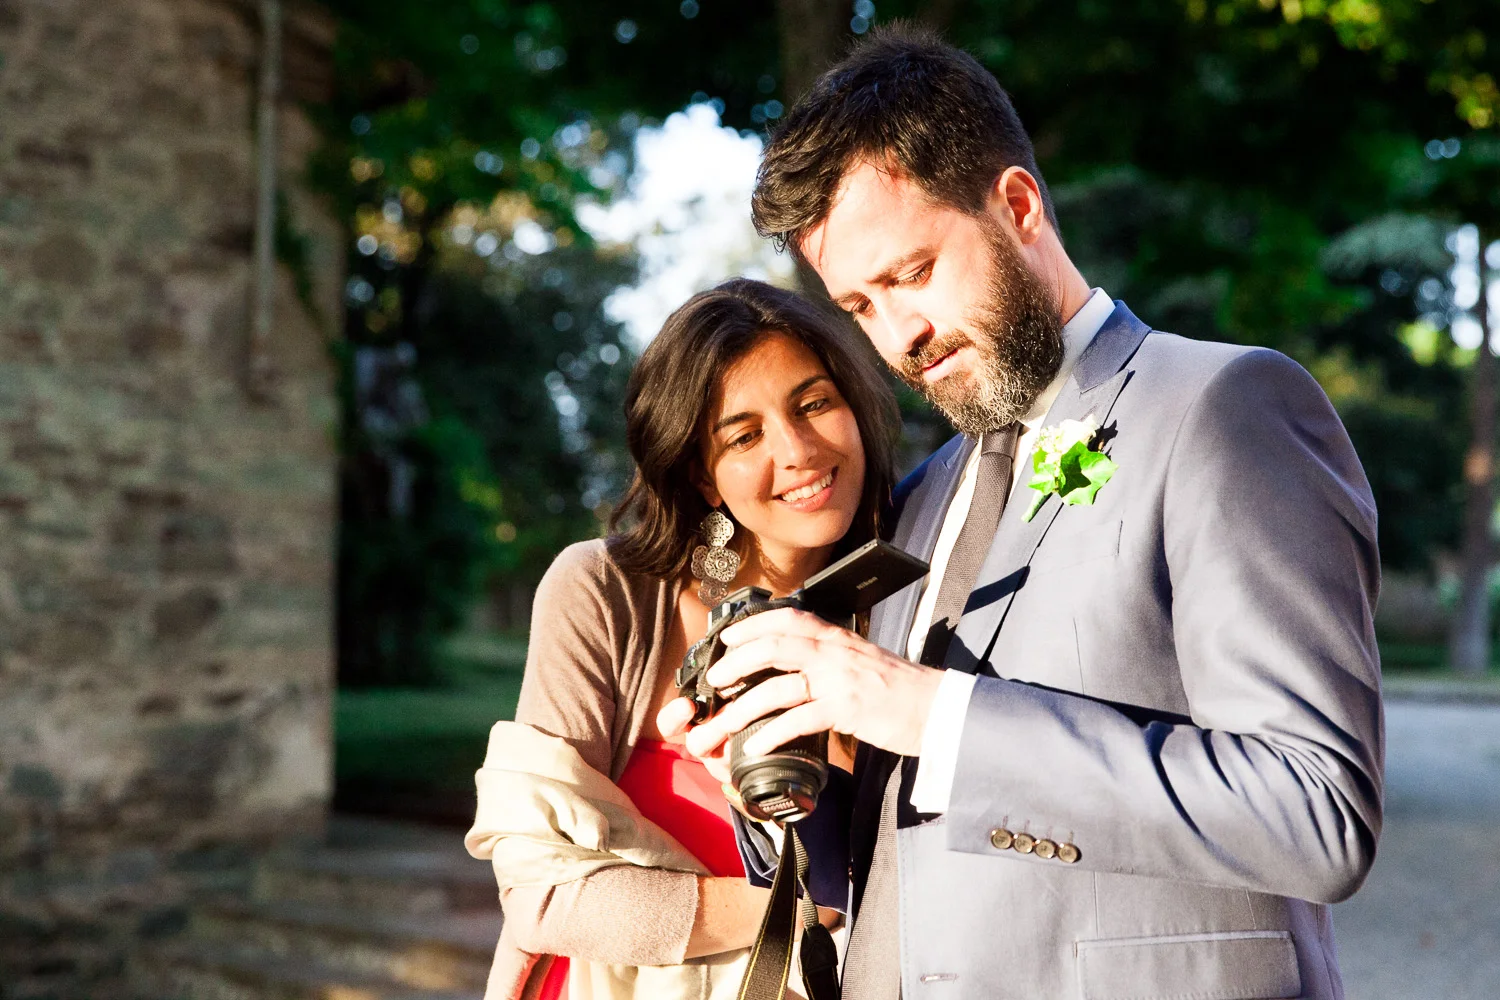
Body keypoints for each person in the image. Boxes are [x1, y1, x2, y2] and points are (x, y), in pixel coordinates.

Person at [669, 25, 1383, 1000]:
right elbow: (884, 865)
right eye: (861, 305)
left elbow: (1316, 814)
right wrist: (774, 776)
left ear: (1017, 206)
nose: (901, 334)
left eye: (912, 274)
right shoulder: (920, 499)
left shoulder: (1225, 408)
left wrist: (929, 711)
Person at [465, 278, 899, 1000]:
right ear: (702, 475)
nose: (797, 450)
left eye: (814, 404)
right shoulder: (609, 593)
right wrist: (797, 912)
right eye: (745, 436)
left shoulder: (919, 593)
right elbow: (544, 896)